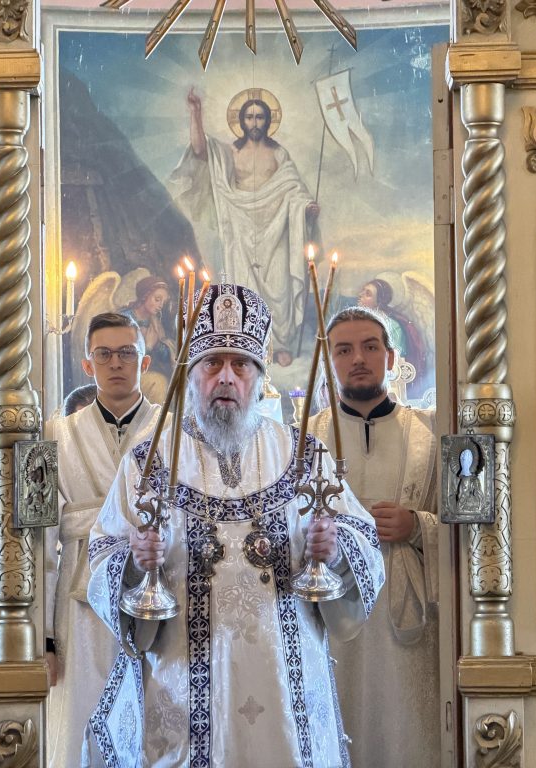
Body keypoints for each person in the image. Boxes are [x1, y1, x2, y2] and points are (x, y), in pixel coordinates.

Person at [84, 283, 384, 768]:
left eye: (240, 364)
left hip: (288, 695)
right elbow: (102, 554)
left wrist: (335, 549)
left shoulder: (303, 454)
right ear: (191, 374)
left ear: (259, 376)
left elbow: (363, 539)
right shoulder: (148, 460)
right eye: (212, 364)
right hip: (182, 691)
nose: (226, 376)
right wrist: (134, 562)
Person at [308, 305, 440, 768]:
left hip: (406, 619)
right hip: (329, 617)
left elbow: (466, 530)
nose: (358, 358)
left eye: (370, 346)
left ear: (392, 357)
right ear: (330, 362)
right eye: (343, 350)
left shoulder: (429, 433)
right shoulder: (303, 439)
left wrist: (417, 526)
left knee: (407, 733)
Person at [43, 313, 160, 768]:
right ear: (87, 364)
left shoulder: (175, 431)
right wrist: (44, 638)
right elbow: (40, 542)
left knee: (156, 723)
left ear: (144, 361)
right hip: (79, 606)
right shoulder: (55, 433)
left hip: (157, 595)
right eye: (105, 354)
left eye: (127, 353)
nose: (116, 363)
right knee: (81, 720)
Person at [169, 90, 320, 365]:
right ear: (241, 120)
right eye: (249, 117)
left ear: (267, 120)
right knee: (244, 287)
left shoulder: (278, 153)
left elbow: (293, 188)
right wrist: (195, 113)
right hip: (239, 228)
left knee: (279, 287)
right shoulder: (231, 152)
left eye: (260, 117)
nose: (255, 122)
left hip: (276, 228)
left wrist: (306, 207)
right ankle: (250, 341)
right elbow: (201, 151)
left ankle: (280, 343)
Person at [121, 274, 175, 401]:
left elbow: (165, 356)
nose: (160, 305)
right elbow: (123, 358)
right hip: (125, 377)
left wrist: (157, 345)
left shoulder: (155, 323)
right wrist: (148, 346)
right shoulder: (124, 319)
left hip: (146, 371)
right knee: (159, 383)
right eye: (157, 299)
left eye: (163, 302)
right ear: (145, 296)